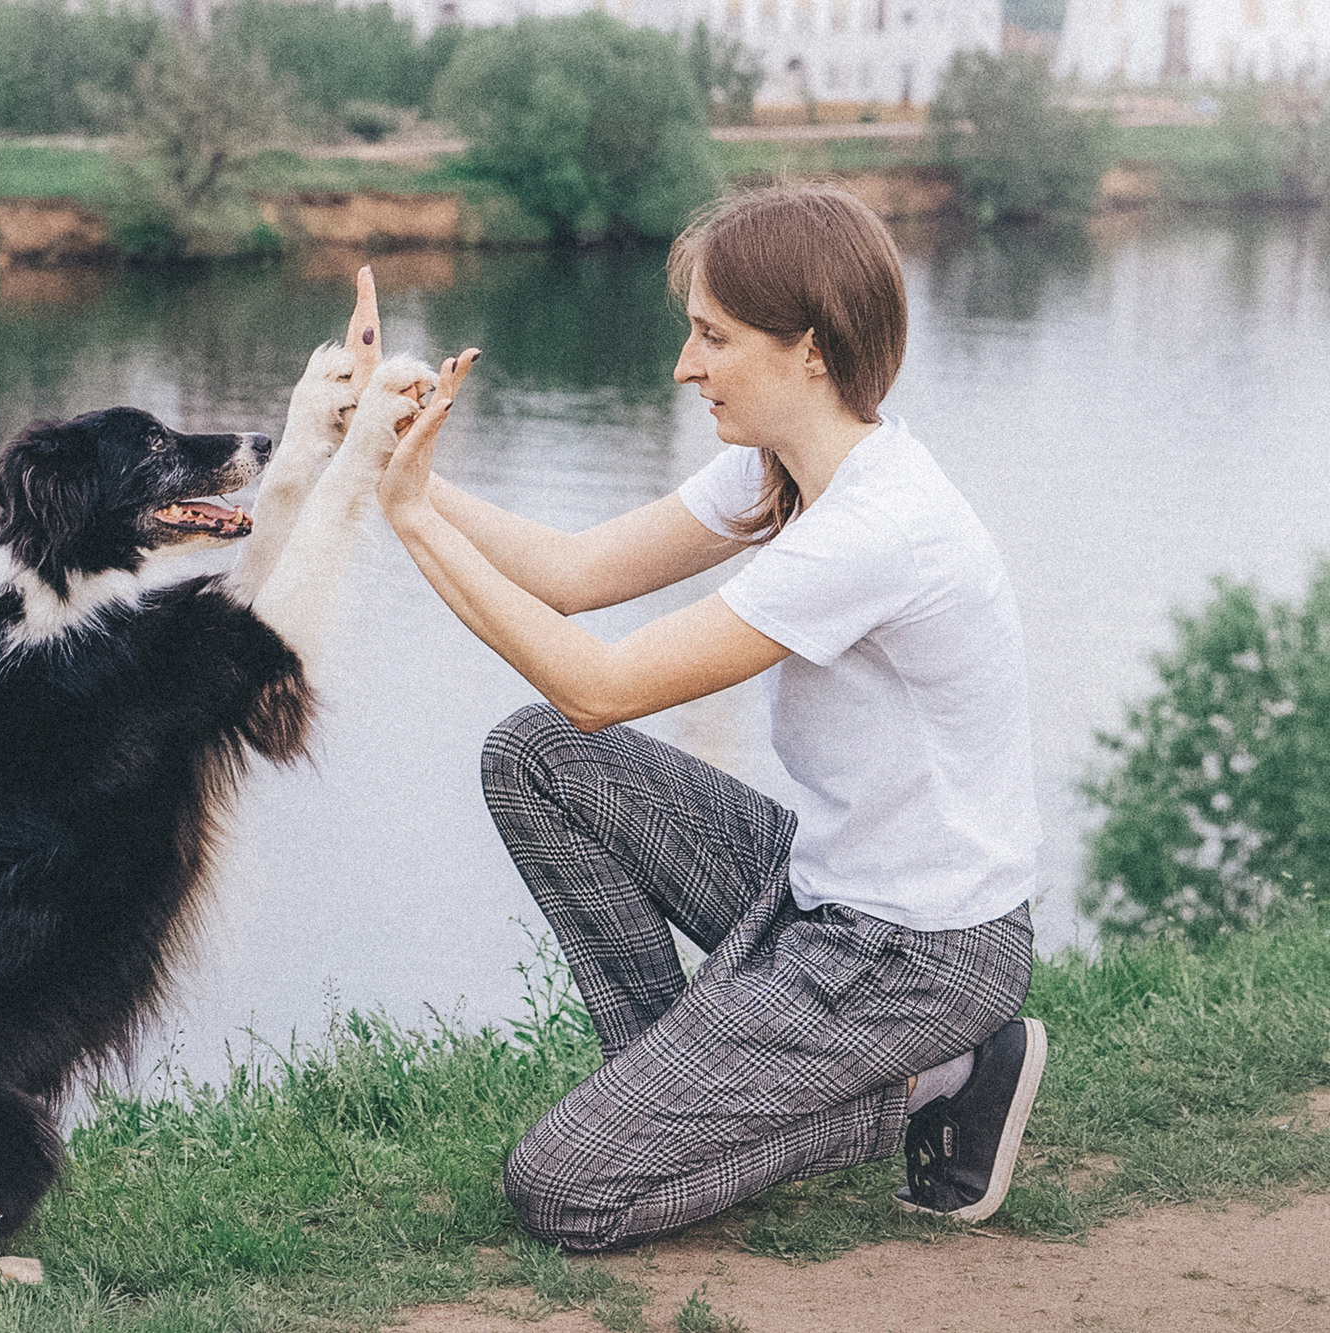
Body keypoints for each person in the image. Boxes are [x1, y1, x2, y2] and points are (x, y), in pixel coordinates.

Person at [364, 181, 1047, 1251]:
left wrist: (408, 521)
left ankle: (946, 1079)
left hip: (916, 953)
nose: (684, 366)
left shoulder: (876, 527)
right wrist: (390, 463)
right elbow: (573, 573)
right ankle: (675, 1101)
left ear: (808, 349)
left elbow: (600, 686)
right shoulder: (784, 469)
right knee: (534, 758)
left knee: (562, 1193)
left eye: (711, 336)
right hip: (819, 886)